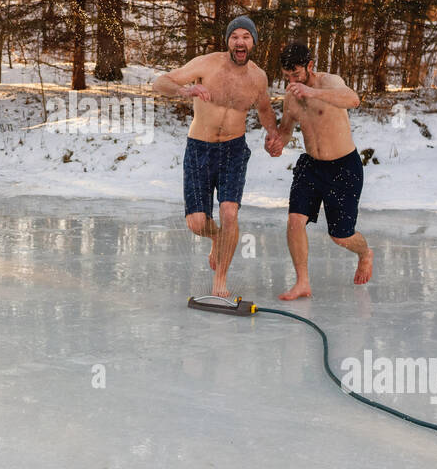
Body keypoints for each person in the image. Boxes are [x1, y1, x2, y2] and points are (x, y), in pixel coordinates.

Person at [152, 16, 281, 298]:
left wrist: (273, 134)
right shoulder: (206, 64)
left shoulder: (258, 77)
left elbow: (264, 110)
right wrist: (186, 90)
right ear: (228, 41)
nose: (240, 41)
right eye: (235, 36)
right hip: (199, 148)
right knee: (197, 223)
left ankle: (220, 281)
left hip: (234, 149)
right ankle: (218, 237)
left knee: (229, 212)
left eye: (246, 36)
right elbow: (159, 83)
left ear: (253, 42)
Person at [265, 42, 373, 294]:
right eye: (287, 76)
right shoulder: (291, 97)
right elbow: (286, 129)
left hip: (344, 167)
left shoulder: (330, 82)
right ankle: (302, 282)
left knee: (341, 236)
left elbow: (353, 99)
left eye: (296, 74)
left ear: (310, 66)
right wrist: (275, 141)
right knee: (294, 221)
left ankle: (365, 252)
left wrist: (312, 92)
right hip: (311, 166)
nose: (291, 81)